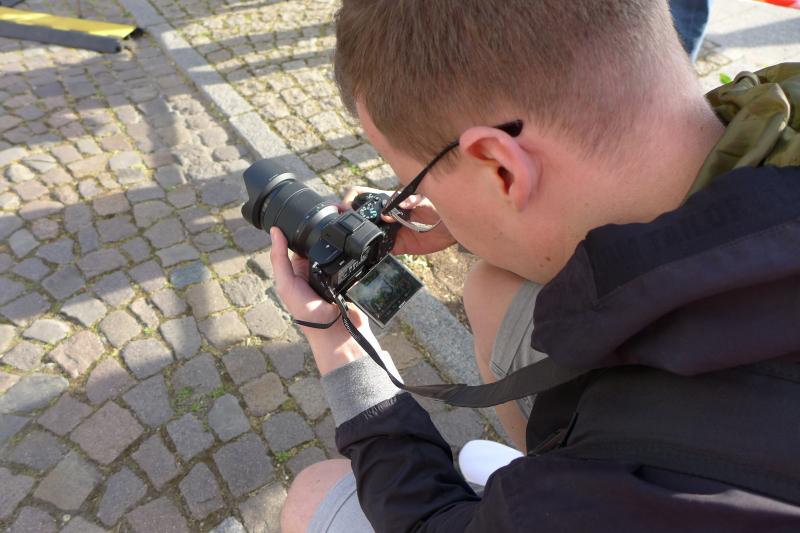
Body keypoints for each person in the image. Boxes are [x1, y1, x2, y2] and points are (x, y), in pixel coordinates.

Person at [270, 1, 800, 531]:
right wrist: (474, 216)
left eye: (413, 179)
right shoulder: (778, 118)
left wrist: (338, 346)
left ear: (502, 169)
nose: (413, 195)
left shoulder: (595, 504)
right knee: (491, 288)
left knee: (314, 493)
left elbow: (426, 523)